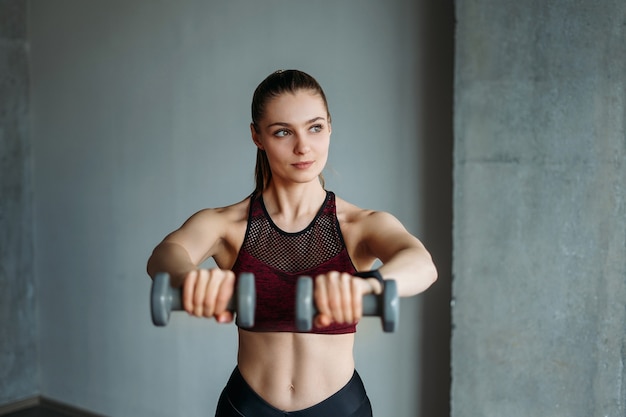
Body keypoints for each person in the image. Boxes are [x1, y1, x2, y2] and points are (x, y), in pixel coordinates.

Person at [146, 69, 437, 417]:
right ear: (257, 137)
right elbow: (165, 255)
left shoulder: (360, 225)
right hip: (248, 407)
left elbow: (421, 264)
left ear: (329, 126)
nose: (303, 146)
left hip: (339, 408)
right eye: (283, 132)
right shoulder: (227, 224)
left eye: (314, 127)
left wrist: (369, 286)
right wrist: (189, 278)